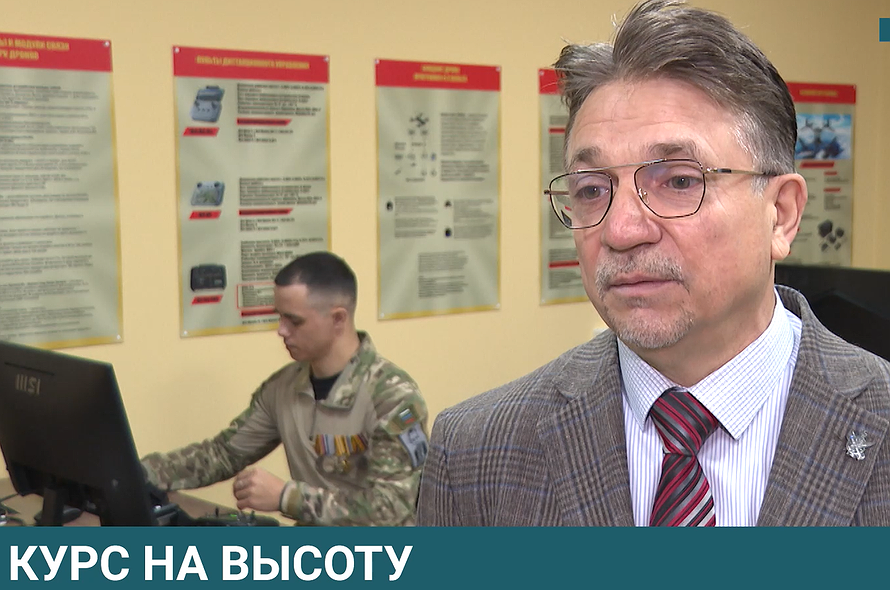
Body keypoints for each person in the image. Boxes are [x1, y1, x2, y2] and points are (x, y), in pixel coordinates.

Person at [417, 0, 890, 526]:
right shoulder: (476, 453)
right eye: (592, 189)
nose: (620, 231)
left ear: (780, 215)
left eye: (679, 181)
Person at [142, 251, 429, 526]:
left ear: (338, 319)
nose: (281, 330)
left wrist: (286, 497)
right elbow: (222, 455)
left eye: (294, 321)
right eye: (279, 317)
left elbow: (391, 507)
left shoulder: (392, 396)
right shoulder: (284, 388)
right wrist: (134, 474)